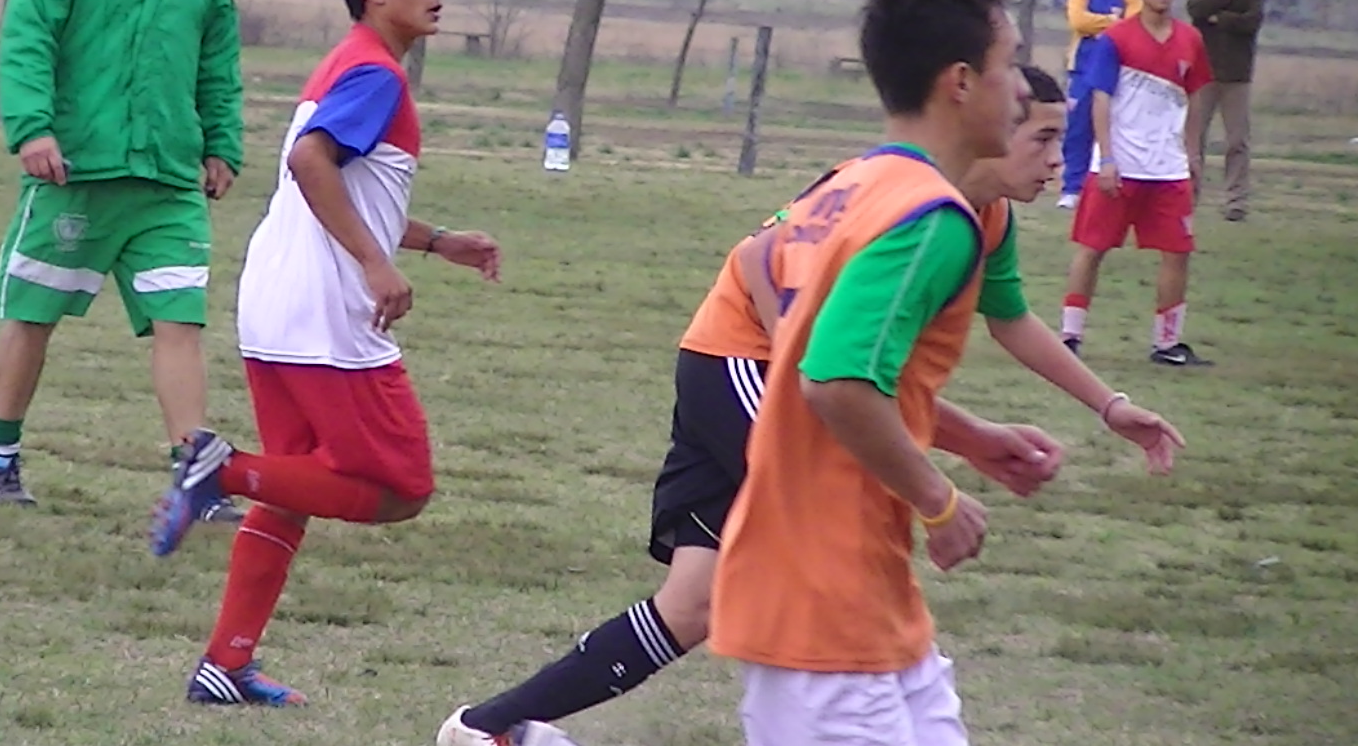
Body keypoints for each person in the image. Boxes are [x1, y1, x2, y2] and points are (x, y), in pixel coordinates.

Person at [435, 65, 1184, 746]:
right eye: (1042, 136)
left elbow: (1004, 322)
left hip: (779, 373)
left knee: (695, 604)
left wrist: (1107, 406)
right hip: (741, 363)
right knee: (837, 548)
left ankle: (485, 731)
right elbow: (783, 295)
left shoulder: (982, 220)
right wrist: (939, 473)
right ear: (986, 117)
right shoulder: (906, 198)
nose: (1058, 160)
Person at [150, 0, 502, 707]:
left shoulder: (346, 64)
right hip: (324, 316)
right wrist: (375, 264)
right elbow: (312, 162)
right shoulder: (378, 76)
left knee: (292, 487)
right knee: (403, 486)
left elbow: (340, 187)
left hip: (274, 306)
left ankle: (225, 664)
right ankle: (217, 469)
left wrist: (434, 241)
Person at [705, 0, 1042, 746]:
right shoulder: (932, 219)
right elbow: (835, 381)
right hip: (825, 602)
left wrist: (968, 436)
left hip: (863, 588)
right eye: (1009, 68)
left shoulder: (850, 186)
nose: (1020, 92)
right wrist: (940, 501)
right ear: (960, 83)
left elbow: (817, 348)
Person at [0, 0, 245, 512]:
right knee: (33, 315)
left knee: (180, 321)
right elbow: (28, 37)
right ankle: (0, 462)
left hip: (167, 177)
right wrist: (33, 128)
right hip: (78, 171)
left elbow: (217, 52)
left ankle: (194, 477)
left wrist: (221, 141)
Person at [1061, 0, 1213, 367]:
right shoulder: (1117, 38)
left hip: (1167, 167)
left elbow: (1196, 98)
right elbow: (1101, 99)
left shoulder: (1190, 40)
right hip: (1120, 166)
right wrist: (1107, 158)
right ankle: (1069, 337)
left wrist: (1193, 153)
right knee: (1093, 247)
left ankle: (1167, 343)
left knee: (1178, 251)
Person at [1185, 0, 1264, 222]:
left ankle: (1236, 201)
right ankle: (1187, 197)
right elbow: (1196, 11)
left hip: (1237, 75)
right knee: (1194, 139)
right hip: (1203, 73)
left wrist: (1220, 18)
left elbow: (1251, 22)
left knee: (1237, 140)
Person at [1059, 0, 1141, 210]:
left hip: (1116, 70)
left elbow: (1133, 25)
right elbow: (1078, 22)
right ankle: (1072, 188)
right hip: (1082, 70)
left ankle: (1112, 186)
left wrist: (1100, 24)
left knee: (1114, 130)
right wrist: (1113, 21)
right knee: (1078, 130)